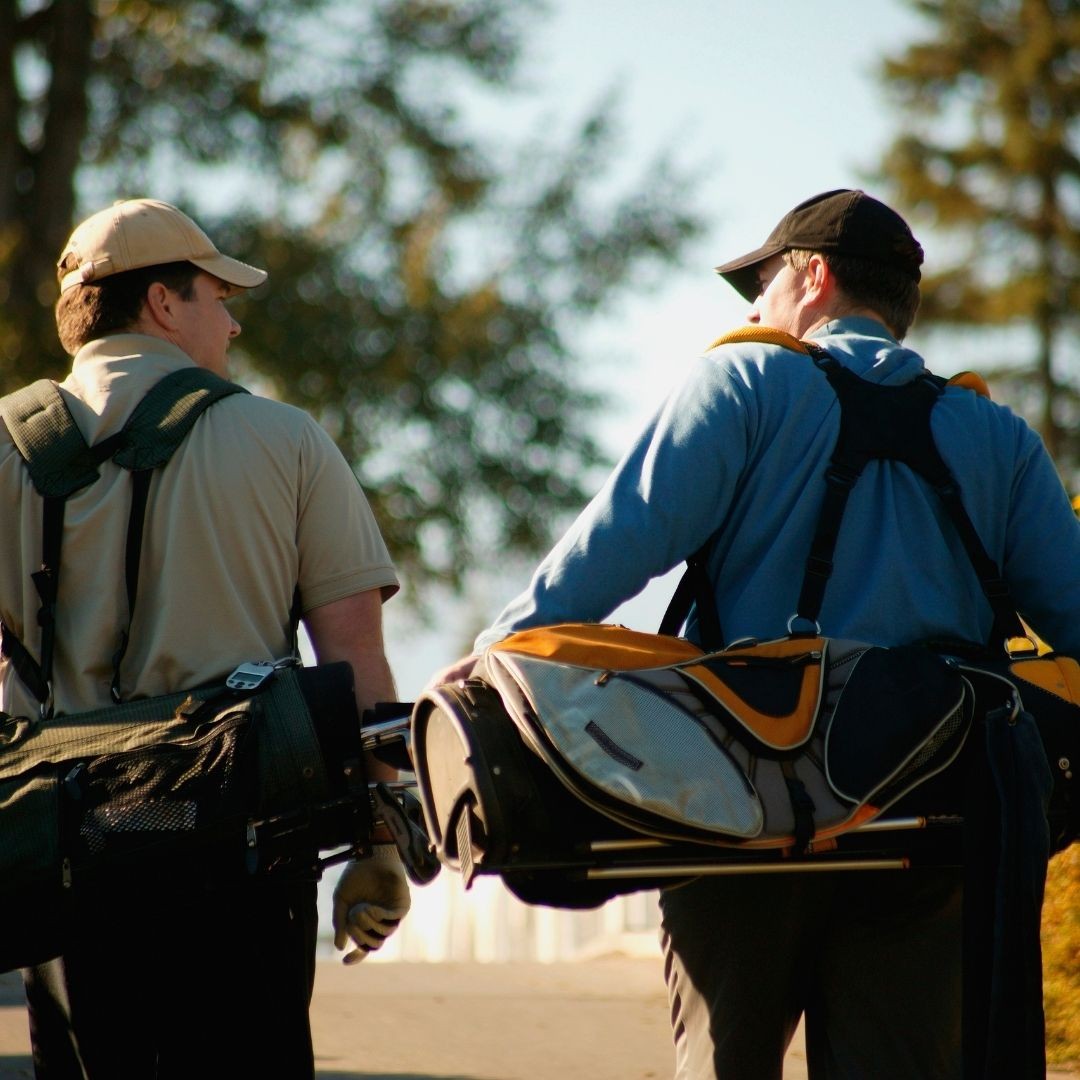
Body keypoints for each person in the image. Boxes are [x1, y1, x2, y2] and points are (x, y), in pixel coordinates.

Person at [434, 189, 1080, 1078]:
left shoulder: (745, 380)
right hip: (928, 809)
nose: (752, 308)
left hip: (745, 801)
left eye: (764, 282)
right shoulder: (997, 435)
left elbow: (617, 544)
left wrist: (485, 664)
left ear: (813, 277)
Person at [0, 199, 411, 1078]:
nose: (229, 320)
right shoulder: (287, 440)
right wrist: (378, 847)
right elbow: (356, 662)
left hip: (61, 858)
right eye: (217, 295)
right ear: (161, 303)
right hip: (237, 847)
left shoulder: (1, 449)